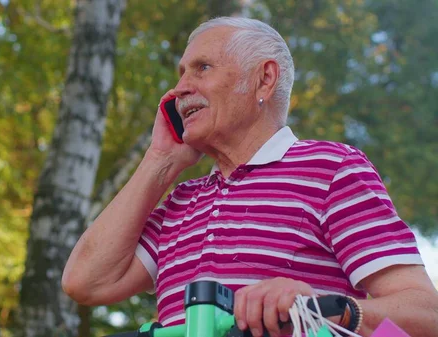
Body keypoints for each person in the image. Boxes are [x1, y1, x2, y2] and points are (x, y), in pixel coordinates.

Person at [62, 17, 438, 337]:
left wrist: (329, 309)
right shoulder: (182, 200)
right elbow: (85, 282)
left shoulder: (332, 168)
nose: (178, 89)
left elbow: (427, 315)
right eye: (181, 74)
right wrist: (160, 159)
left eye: (202, 68)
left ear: (264, 79)